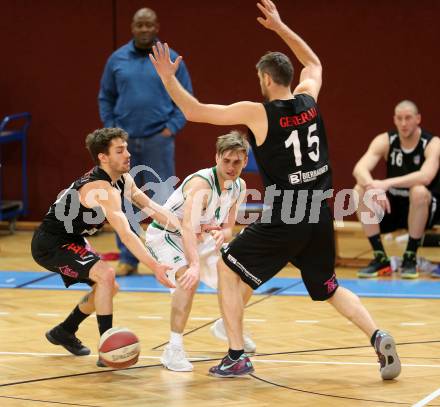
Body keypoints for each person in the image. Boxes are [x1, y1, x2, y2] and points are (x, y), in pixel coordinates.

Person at [149, 0, 401, 380]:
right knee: (329, 287)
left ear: (266, 79)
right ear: (287, 77)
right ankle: (377, 334)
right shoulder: (309, 101)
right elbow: (314, 63)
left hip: (286, 216)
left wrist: (168, 79)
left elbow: (195, 112)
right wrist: (280, 27)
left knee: (227, 268)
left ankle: (236, 354)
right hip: (318, 213)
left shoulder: (258, 112)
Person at [31, 128, 177, 366]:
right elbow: (127, 235)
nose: (128, 154)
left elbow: (151, 207)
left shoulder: (121, 179)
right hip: (50, 243)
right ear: (103, 157)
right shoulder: (102, 189)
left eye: (127, 148)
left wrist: (186, 227)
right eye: (120, 150)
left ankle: (64, 331)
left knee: (109, 286)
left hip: (72, 238)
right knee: (106, 276)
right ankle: (107, 347)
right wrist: (155, 266)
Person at [145, 131, 256, 371]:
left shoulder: (240, 186)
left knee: (245, 276)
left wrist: (220, 234)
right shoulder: (201, 184)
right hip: (167, 235)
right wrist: (194, 266)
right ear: (216, 158)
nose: (231, 166)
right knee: (189, 280)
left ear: (245, 161)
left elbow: (229, 229)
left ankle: (226, 326)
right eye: (226, 160)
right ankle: (172, 349)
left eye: (237, 161)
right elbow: (186, 227)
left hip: (200, 237)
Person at [98, 7, 193, 276]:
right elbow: (105, 97)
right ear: (132, 27)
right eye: (139, 25)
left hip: (158, 141)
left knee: (163, 200)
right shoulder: (116, 60)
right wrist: (111, 131)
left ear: (157, 27)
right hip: (122, 143)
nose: (143, 29)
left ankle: (167, 256)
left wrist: (171, 128)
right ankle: (128, 259)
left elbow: (185, 98)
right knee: (122, 201)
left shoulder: (170, 59)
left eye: (148, 25)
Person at [353, 100, 440, 279]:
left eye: (408, 118)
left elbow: (426, 176)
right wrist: (372, 187)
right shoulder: (385, 140)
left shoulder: (432, 143)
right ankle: (380, 257)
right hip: (393, 207)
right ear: (394, 119)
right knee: (358, 190)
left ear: (418, 119)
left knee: (418, 190)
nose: (403, 123)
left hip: (424, 208)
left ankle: (410, 257)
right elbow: (359, 168)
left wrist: (386, 183)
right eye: (399, 118)